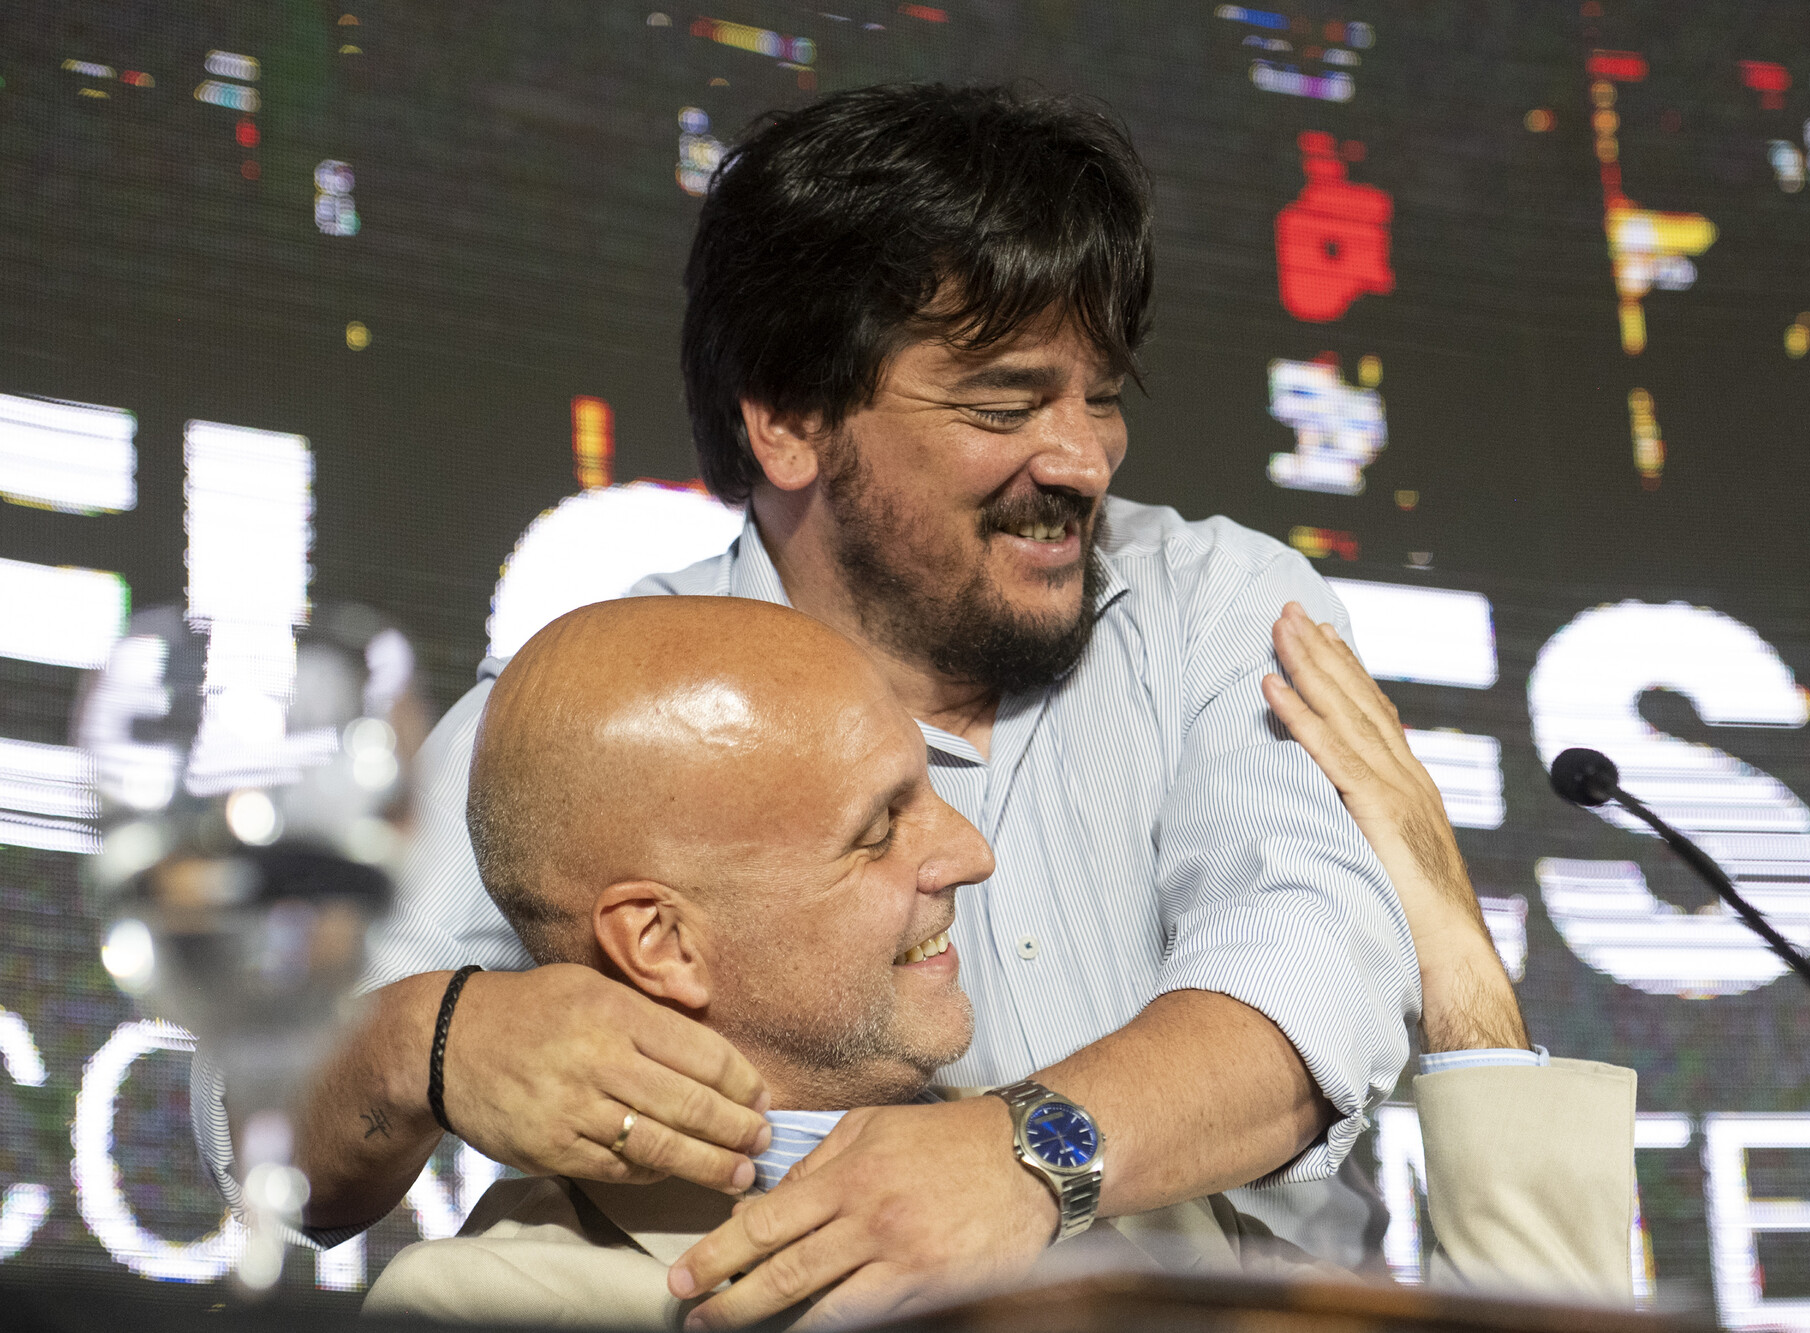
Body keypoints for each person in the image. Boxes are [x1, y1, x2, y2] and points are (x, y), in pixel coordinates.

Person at [197, 84, 1533, 1327]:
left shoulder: (1219, 606)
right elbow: (253, 1122)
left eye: (1100, 398)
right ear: (787, 418)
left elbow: (1314, 969)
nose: (1082, 460)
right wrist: (427, 1040)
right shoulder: (606, 703)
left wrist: (1021, 1156)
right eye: (1004, 404)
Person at [362, 596, 1638, 1325]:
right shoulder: (496, 1305)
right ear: (662, 941)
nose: (969, 855)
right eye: (880, 829)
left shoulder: (1118, 1195)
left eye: (933, 791)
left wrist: (1458, 969)